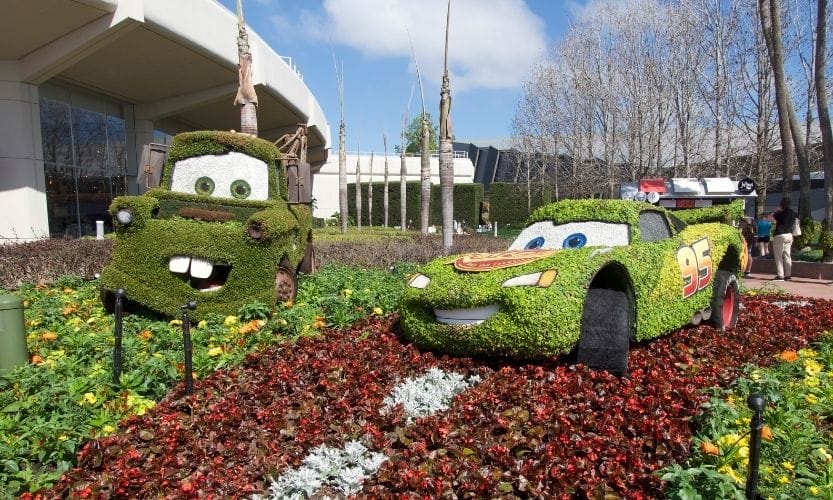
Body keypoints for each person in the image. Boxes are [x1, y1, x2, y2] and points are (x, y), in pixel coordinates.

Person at [771, 198, 797, 281]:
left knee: (779, 256)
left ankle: (780, 275)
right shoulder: (793, 213)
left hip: (780, 235)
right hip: (789, 235)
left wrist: (777, 211)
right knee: (787, 255)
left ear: (781, 204)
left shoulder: (780, 213)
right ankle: (788, 275)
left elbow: (774, 216)